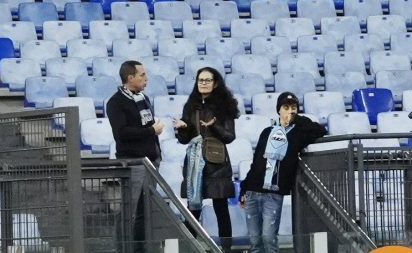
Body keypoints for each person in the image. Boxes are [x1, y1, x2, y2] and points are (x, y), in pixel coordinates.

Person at [242, 91, 328, 253]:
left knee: (268, 239)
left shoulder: (299, 133)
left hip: (274, 193)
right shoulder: (267, 131)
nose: (290, 110)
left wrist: (298, 119)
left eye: (294, 108)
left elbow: (320, 130)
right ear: (279, 110)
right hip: (253, 191)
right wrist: (244, 188)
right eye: (286, 107)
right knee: (254, 242)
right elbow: (256, 163)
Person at [174, 66, 240, 243]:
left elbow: (230, 137)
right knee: (193, 209)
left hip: (217, 163)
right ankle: (190, 246)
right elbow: (184, 140)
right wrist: (182, 129)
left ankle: (226, 248)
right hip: (195, 162)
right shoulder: (190, 106)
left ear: (215, 83)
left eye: (207, 80)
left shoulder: (225, 106)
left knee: (221, 208)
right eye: (200, 80)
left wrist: (213, 126)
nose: (203, 83)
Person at [105, 60, 164, 253]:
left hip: (151, 162)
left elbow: (145, 126)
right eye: (142, 75)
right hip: (133, 164)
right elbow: (121, 133)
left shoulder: (143, 98)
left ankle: (140, 249)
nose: (146, 79)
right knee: (128, 211)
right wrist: (151, 131)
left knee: (144, 212)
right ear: (130, 78)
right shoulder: (116, 102)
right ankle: (122, 249)